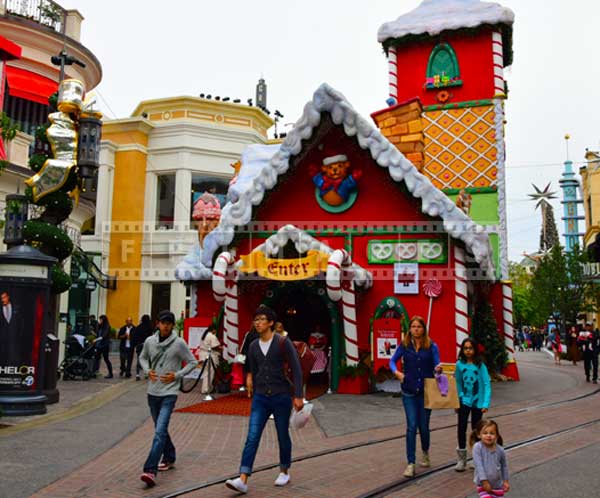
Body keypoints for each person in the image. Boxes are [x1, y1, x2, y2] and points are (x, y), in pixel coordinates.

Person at [225, 306, 303, 494]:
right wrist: (249, 376)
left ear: (270, 323)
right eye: (255, 319)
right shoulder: (252, 345)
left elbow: (297, 368)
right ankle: (243, 478)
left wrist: (299, 395)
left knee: (282, 435)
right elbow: (252, 366)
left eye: (261, 319)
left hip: (281, 396)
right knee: (252, 436)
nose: (257, 323)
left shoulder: (283, 342)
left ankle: (284, 470)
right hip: (260, 397)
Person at [138, 310, 198, 487]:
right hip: (152, 392)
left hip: (169, 393)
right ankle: (170, 456)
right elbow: (142, 357)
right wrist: (147, 370)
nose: (165, 326)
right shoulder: (150, 341)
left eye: (168, 323)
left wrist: (177, 375)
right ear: (157, 323)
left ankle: (150, 470)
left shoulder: (179, 343)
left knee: (159, 432)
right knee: (160, 429)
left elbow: (193, 362)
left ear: (172, 325)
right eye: (162, 322)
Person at [389, 315, 442, 478]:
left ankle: (425, 452)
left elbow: (437, 363)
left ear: (423, 329)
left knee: (423, 426)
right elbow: (392, 361)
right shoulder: (404, 345)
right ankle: (410, 463)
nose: (416, 329)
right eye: (413, 326)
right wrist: (397, 372)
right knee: (411, 426)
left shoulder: (431, 345)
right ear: (410, 329)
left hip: (426, 392)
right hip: (409, 390)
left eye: (419, 326)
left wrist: (438, 368)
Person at [454, 338, 491, 472]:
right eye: (465, 348)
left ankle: (476, 458)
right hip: (464, 401)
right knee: (461, 427)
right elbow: (457, 382)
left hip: (478, 402)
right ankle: (462, 459)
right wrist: (458, 398)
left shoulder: (480, 366)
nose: (468, 350)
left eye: (470, 348)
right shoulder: (459, 365)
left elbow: (487, 384)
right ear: (462, 350)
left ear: (475, 349)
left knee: (476, 429)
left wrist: (485, 402)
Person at [470, 419, 510, 497]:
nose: (488, 435)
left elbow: (504, 466)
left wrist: (506, 481)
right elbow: (479, 465)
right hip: (482, 484)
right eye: (485, 433)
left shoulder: (500, 450)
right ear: (479, 435)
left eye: (492, 433)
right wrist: (484, 481)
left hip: (497, 485)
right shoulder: (478, 447)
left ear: (497, 435)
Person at [198, 323, 221, 394]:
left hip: (202, 355)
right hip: (209, 355)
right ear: (213, 329)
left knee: (205, 373)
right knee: (210, 373)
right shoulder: (212, 336)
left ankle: (205, 388)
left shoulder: (204, 335)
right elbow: (215, 346)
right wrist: (221, 348)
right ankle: (207, 389)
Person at [132, 315, 154, 381]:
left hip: (139, 345)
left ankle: (137, 374)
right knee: (148, 359)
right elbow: (151, 337)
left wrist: (135, 344)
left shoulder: (138, 327)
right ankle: (146, 373)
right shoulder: (150, 327)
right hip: (147, 345)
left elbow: (135, 336)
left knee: (139, 359)